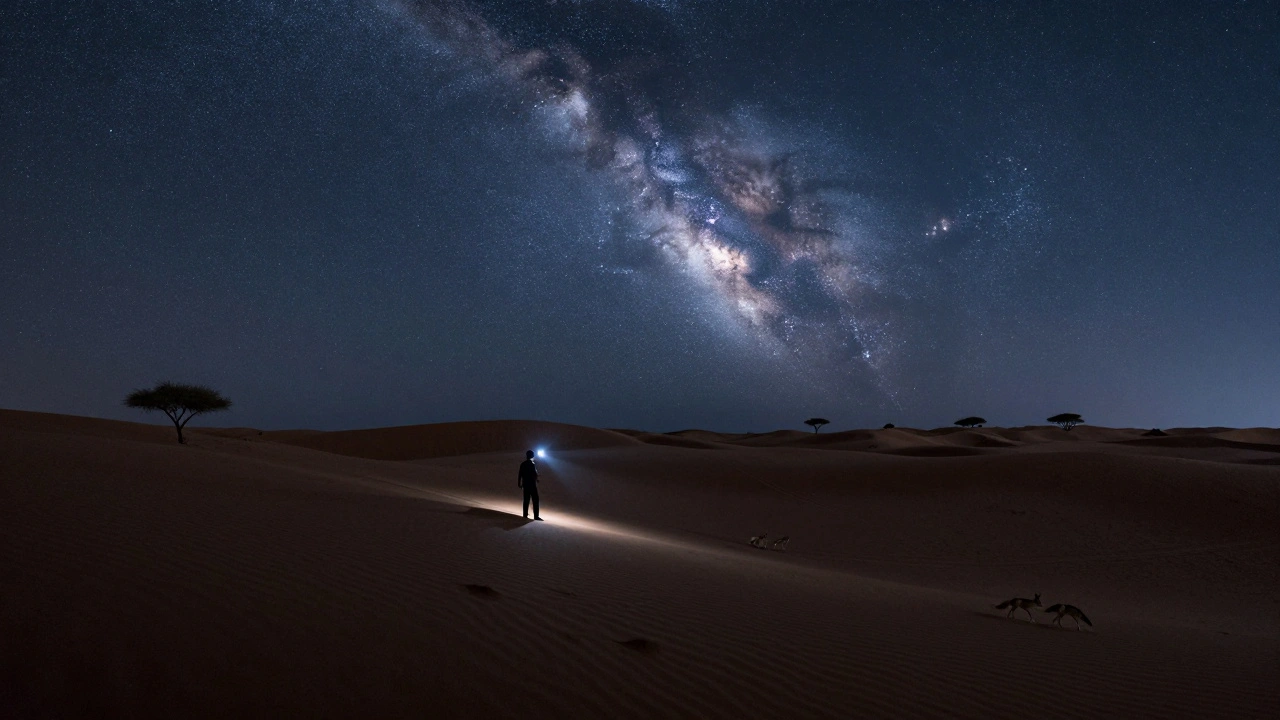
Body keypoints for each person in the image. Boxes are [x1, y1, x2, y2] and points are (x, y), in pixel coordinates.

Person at [518, 449, 542, 520]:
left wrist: (519, 483)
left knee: (526, 500)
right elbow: (534, 474)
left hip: (525, 484)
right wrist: (537, 479)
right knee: (535, 500)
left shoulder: (523, 464)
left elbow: (520, 474)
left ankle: (525, 514)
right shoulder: (532, 464)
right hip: (532, 485)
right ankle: (536, 516)